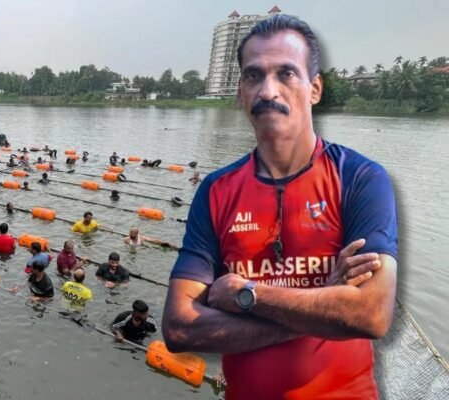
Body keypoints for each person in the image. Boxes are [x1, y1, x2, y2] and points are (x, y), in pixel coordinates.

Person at [162, 15, 398, 400]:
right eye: (254, 76)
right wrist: (326, 300)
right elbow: (179, 329)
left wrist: (246, 295)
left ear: (314, 88)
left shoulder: (359, 178)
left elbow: (371, 314)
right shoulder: (216, 190)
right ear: (240, 91)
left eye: (286, 73)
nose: (268, 90)